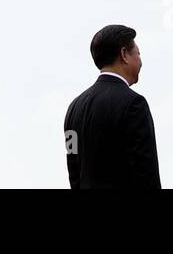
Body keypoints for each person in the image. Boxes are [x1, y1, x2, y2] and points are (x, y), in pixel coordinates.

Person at [63, 24, 161, 188]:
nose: (141, 60)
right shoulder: (134, 104)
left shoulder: (73, 110)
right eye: (138, 53)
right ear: (124, 54)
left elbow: (73, 165)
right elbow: (146, 171)